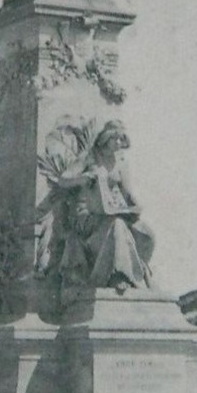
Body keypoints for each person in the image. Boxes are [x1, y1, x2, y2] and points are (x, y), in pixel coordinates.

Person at [72, 120, 154, 292]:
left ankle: (140, 270)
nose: (118, 143)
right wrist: (84, 177)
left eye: (121, 139)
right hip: (88, 214)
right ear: (105, 138)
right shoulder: (90, 157)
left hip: (114, 211)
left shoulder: (121, 161)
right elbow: (63, 180)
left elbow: (127, 192)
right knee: (117, 226)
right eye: (115, 139)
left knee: (145, 233)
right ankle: (119, 276)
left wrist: (136, 207)